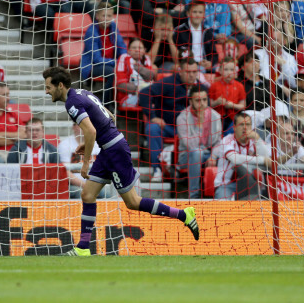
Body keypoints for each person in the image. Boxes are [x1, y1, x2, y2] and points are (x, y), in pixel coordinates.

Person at [43, 66, 199, 256]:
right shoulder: (82, 92)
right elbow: (110, 116)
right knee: (87, 195)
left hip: (114, 151)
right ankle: (83, 248)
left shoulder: (71, 103)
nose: (46, 91)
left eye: (49, 87)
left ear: (60, 85)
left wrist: (85, 161)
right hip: (109, 149)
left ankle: (184, 214)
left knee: (133, 202)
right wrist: (95, 141)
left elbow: (91, 130)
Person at [139, 57, 208, 181]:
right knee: (152, 128)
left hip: (191, 130)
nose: (192, 75)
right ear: (180, 71)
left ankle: (189, 170)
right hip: (169, 127)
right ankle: (157, 169)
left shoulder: (201, 88)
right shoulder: (168, 82)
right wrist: (153, 116)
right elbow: (144, 93)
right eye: (188, 72)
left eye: (194, 72)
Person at [177, 85, 222, 198]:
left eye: (204, 100)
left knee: (228, 155)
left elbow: (218, 142)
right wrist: (200, 125)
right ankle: (194, 195)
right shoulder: (182, 117)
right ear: (191, 101)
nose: (201, 103)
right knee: (197, 152)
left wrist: (213, 156)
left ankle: (219, 194)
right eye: (197, 100)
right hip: (186, 156)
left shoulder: (215, 116)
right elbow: (190, 145)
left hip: (208, 154)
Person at [81, 1, 127, 107]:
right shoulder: (91, 31)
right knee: (112, 72)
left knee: (122, 68)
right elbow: (97, 59)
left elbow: (121, 45)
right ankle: (106, 103)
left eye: (109, 16)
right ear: (97, 16)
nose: (106, 18)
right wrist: (116, 62)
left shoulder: (113, 27)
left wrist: (124, 59)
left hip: (109, 63)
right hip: (92, 66)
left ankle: (122, 101)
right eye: (104, 15)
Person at [214, 112, 270, 200]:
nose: (245, 127)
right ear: (234, 127)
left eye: (248, 124)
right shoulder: (227, 140)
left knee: (256, 209)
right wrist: (262, 160)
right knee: (224, 210)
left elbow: (268, 159)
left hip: (249, 185)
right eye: (241, 125)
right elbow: (235, 159)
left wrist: (257, 139)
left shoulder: (255, 141)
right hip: (226, 185)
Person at [58, 122, 115, 199]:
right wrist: (85, 185)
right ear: (74, 127)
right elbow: (65, 172)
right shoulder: (65, 144)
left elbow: (104, 169)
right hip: (74, 185)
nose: (84, 128)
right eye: (81, 125)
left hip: (96, 184)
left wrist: (95, 185)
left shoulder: (99, 144)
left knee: (107, 193)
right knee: (79, 193)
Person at [172, 1, 218, 72]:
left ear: (204, 15)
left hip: (204, 64)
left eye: (200, 12)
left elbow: (214, 53)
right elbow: (179, 54)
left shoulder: (207, 32)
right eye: (194, 12)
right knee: (201, 70)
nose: (197, 15)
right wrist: (197, 63)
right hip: (188, 65)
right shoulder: (179, 31)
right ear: (188, 13)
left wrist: (210, 62)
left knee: (221, 70)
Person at [115, 38, 156, 108]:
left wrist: (138, 68)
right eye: (134, 48)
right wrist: (141, 90)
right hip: (128, 98)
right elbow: (120, 85)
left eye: (140, 48)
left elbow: (150, 76)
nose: (137, 50)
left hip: (146, 94)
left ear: (144, 50)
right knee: (150, 100)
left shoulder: (146, 59)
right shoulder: (123, 58)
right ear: (128, 50)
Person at [209, 57, 246, 134]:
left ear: (235, 71)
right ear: (220, 70)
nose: (229, 72)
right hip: (217, 119)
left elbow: (243, 106)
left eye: (231, 70)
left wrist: (232, 105)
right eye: (225, 69)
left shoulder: (239, 86)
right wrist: (217, 102)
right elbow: (209, 105)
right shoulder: (214, 86)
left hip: (233, 119)